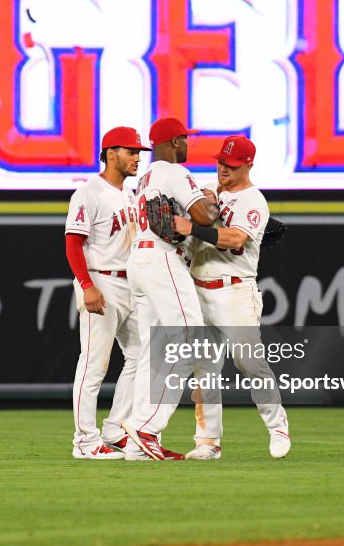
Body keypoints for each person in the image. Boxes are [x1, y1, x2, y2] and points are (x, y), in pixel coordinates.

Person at [174, 136, 291, 460]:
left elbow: (235, 237)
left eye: (232, 164)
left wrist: (192, 227)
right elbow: (194, 208)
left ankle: (277, 425)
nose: (224, 168)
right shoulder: (211, 188)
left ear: (248, 165)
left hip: (234, 289)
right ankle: (208, 443)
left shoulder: (254, 200)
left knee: (249, 361)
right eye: (221, 161)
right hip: (198, 288)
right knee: (204, 367)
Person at [120, 117, 220, 462]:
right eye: (185, 139)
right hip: (163, 260)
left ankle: (137, 443)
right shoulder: (175, 172)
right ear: (175, 142)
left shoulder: (145, 178)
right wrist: (212, 200)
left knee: (154, 351)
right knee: (191, 341)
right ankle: (146, 426)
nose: (188, 144)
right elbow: (204, 217)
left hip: (141, 262)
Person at [66, 127, 150, 460]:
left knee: (144, 353)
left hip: (130, 283)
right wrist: (87, 286)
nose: (137, 158)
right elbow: (73, 243)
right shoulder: (89, 192)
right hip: (100, 281)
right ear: (111, 153)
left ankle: (116, 429)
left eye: (139, 152)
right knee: (93, 365)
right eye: (131, 151)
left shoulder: (129, 194)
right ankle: (85, 441)